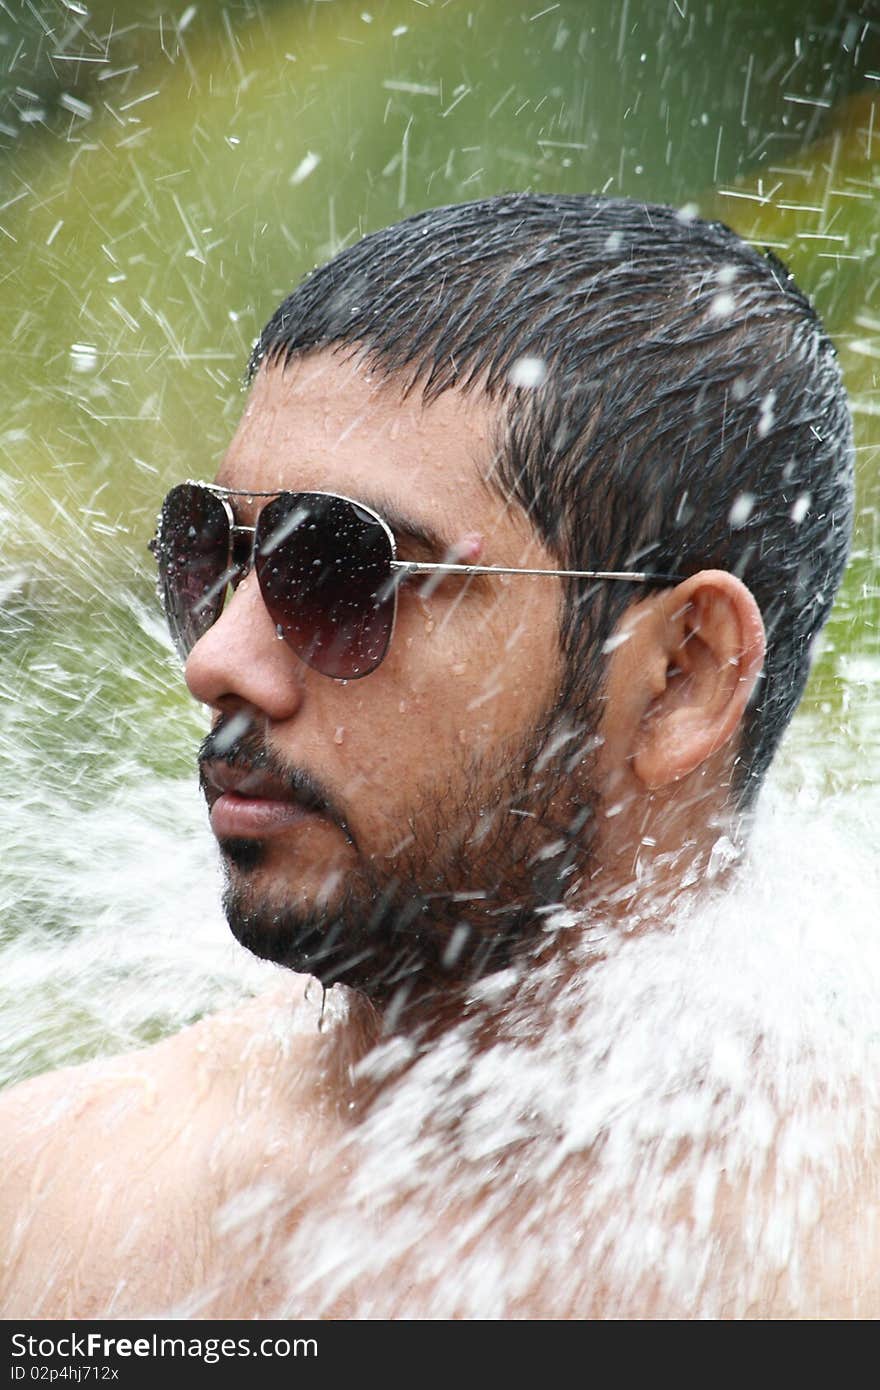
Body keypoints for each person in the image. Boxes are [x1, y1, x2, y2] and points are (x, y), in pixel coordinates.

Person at [0, 194, 861, 1319]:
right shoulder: (56, 1204)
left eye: (342, 572)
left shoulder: (834, 1269)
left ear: (679, 676)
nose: (219, 658)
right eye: (214, 556)